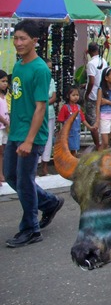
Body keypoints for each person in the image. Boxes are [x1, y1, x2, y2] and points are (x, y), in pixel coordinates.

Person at [4, 20, 65, 248]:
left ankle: (31, 229)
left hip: (31, 135)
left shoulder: (40, 69)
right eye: (16, 37)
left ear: (35, 41)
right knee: (11, 176)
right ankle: (49, 203)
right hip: (16, 131)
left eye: (23, 38)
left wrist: (29, 140)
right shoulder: (19, 66)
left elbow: (41, 107)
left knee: (25, 182)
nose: (18, 42)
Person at [58, 86, 96, 155]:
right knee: (67, 149)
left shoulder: (78, 107)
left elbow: (83, 119)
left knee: (74, 149)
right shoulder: (65, 107)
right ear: (68, 96)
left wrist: (90, 127)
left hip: (76, 133)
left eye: (77, 95)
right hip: (68, 134)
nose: (76, 97)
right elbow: (61, 120)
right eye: (73, 95)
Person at [84, 42, 106, 147]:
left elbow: (92, 81)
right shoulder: (103, 61)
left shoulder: (91, 63)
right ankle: (103, 143)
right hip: (102, 94)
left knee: (93, 121)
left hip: (93, 95)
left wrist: (87, 94)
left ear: (89, 51)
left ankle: (98, 145)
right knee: (101, 119)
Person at [38, 58, 56, 176]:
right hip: (38, 114)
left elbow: (53, 97)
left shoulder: (51, 81)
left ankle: (45, 166)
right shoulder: (37, 80)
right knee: (38, 139)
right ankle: (36, 166)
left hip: (49, 114)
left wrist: (43, 103)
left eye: (50, 68)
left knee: (48, 139)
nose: (49, 70)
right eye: (47, 67)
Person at [96, 67, 111, 151]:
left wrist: (107, 102)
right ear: (106, 78)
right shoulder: (101, 90)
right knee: (105, 142)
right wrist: (97, 119)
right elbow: (98, 105)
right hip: (104, 117)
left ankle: (103, 158)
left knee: (108, 142)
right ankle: (96, 158)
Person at [0, 69, 9, 186]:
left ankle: (2, 174)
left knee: (3, 151)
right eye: (2, 81)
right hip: (2, 125)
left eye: (6, 81)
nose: (5, 84)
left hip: (4, 127)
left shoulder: (4, 96)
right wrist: (7, 122)